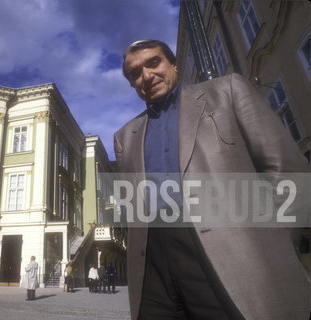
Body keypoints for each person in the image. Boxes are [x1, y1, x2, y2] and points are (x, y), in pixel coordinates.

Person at [115, 39, 311, 319]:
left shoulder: (227, 91)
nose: (146, 75)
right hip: (153, 264)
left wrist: (271, 240)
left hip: (225, 249)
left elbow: (287, 171)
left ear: (174, 65)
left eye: (153, 62)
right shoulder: (124, 136)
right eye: (135, 73)